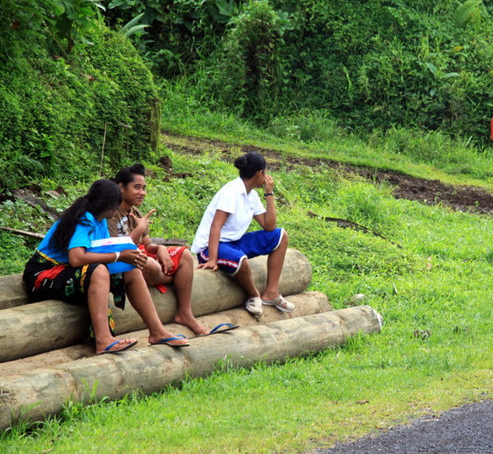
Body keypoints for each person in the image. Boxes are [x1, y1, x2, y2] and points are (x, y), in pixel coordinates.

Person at [22, 179, 190, 355]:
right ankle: (103, 340)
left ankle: (157, 331)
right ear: (108, 206)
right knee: (99, 270)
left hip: (70, 270)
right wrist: (119, 255)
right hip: (44, 274)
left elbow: (102, 250)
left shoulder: (100, 219)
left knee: (130, 270)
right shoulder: (83, 220)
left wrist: (128, 257)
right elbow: (77, 258)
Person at [110, 163, 225, 337]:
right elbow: (119, 249)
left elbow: (148, 245)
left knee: (185, 255)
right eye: (136, 187)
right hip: (124, 260)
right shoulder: (111, 214)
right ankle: (173, 279)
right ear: (121, 188)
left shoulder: (136, 213)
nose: (142, 192)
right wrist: (139, 229)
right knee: (150, 265)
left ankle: (185, 314)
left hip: (141, 254)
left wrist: (161, 249)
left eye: (144, 188)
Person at [191, 151, 294, 317]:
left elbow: (269, 226)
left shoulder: (251, 195)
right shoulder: (231, 192)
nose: (266, 176)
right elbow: (216, 226)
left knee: (280, 236)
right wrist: (211, 259)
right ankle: (254, 296)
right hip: (211, 247)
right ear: (260, 173)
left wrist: (269, 194)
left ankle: (271, 293)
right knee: (241, 261)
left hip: (234, 242)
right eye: (265, 172)